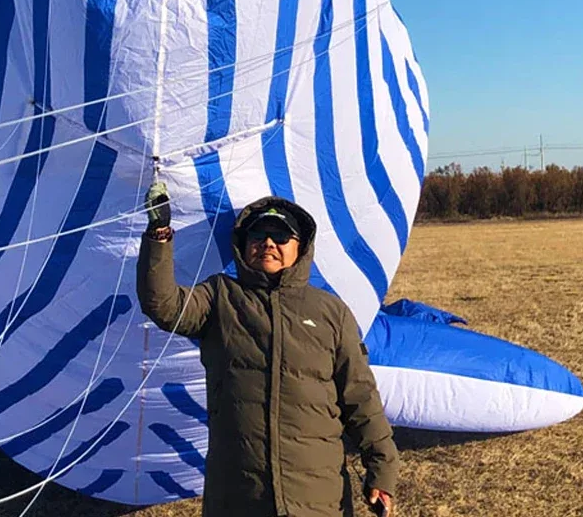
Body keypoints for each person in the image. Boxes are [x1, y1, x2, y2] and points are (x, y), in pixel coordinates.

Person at [136, 182, 398, 517]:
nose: (268, 244)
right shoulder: (219, 298)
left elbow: (361, 397)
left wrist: (382, 471)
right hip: (239, 496)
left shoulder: (331, 312)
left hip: (318, 498)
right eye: (258, 236)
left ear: (300, 247)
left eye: (280, 236)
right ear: (243, 246)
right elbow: (163, 305)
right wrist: (159, 235)